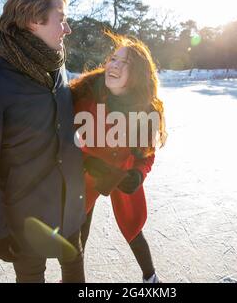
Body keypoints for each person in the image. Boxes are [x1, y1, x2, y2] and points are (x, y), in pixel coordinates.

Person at [0, 0, 86, 283]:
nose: (67, 28)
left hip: (69, 210)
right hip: (25, 221)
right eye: (61, 18)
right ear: (34, 20)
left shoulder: (58, 69)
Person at [70, 32, 167, 283]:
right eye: (114, 59)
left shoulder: (145, 110)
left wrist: (137, 174)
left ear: (137, 76)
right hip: (89, 170)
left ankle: (151, 278)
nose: (114, 65)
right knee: (79, 230)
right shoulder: (84, 93)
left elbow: (147, 154)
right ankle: (72, 280)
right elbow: (60, 134)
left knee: (133, 227)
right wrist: (84, 159)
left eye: (125, 64)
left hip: (122, 171)